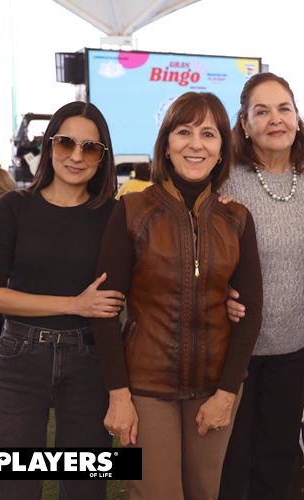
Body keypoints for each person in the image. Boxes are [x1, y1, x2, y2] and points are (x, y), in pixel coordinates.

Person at [92, 91, 263, 500]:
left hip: (216, 387)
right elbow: (103, 311)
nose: (195, 143)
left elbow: (252, 310)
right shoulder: (131, 210)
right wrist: (118, 395)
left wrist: (227, 392)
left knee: (204, 492)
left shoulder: (237, 217)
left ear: (222, 148)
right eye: (184, 131)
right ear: (166, 143)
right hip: (146, 387)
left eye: (208, 134)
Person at [0, 101, 123, 500]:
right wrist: (75, 304)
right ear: (48, 145)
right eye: (65, 142)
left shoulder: (116, 215)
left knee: (86, 490)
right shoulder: (14, 207)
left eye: (90, 148)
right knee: (12, 488)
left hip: (92, 363)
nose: (76, 156)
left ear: (103, 156)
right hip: (20, 358)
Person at [218, 72, 304, 500]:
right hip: (236, 349)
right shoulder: (225, 176)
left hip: (293, 350)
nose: (275, 119)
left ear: (297, 117)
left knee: (277, 457)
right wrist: (219, 293)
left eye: (284, 108)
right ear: (244, 124)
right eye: (261, 111)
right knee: (231, 461)